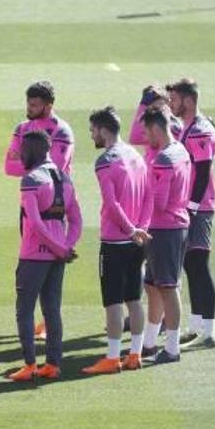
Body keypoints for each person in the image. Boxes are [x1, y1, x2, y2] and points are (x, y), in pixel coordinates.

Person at [7, 130, 82, 382]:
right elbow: (76, 219)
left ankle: (29, 364)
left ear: (36, 150)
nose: (19, 154)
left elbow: (36, 224)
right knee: (52, 309)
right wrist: (64, 246)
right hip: (57, 257)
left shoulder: (31, 180)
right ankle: (53, 364)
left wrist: (58, 248)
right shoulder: (65, 179)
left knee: (25, 310)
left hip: (33, 255)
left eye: (23, 150)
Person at [81, 107, 151, 375]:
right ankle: (134, 354)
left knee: (112, 302)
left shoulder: (105, 161)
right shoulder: (136, 155)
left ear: (102, 129)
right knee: (134, 299)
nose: (91, 136)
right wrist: (141, 229)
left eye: (92, 130)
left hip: (115, 242)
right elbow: (148, 196)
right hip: (138, 242)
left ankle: (112, 358)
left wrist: (130, 229)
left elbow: (112, 204)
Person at [166, 79, 215, 349]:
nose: (171, 103)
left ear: (188, 100)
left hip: (199, 207)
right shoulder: (190, 128)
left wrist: (193, 208)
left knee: (198, 265)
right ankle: (197, 326)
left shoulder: (199, 131)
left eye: (174, 99)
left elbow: (204, 171)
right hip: (192, 206)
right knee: (191, 265)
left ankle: (209, 332)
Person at [139, 107, 191, 364]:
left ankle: (172, 348)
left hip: (164, 229)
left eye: (146, 131)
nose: (145, 137)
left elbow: (158, 201)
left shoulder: (162, 159)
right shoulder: (181, 151)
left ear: (155, 128)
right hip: (174, 226)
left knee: (168, 288)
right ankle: (149, 343)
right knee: (152, 285)